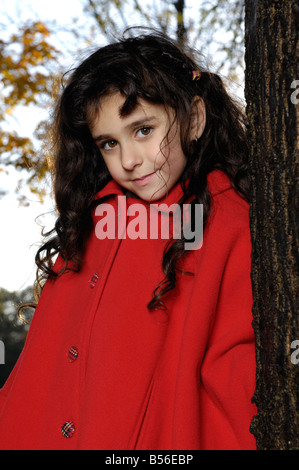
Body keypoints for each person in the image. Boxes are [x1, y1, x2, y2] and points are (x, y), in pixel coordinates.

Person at [0, 28, 257, 450]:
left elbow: (234, 380)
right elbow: (37, 368)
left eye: (143, 130)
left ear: (194, 118)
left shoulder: (229, 221)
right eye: (109, 143)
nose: (129, 161)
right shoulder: (91, 223)